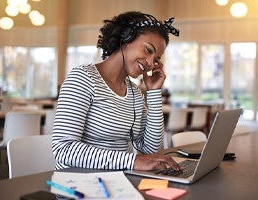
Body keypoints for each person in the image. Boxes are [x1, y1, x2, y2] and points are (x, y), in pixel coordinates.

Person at [52, 11, 181, 171]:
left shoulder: (134, 93)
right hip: (77, 183)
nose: (149, 63)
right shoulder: (83, 79)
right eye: (148, 50)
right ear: (126, 38)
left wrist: (154, 92)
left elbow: (150, 149)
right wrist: (132, 161)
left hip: (116, 181)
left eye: (155, 59)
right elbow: (64, 149)